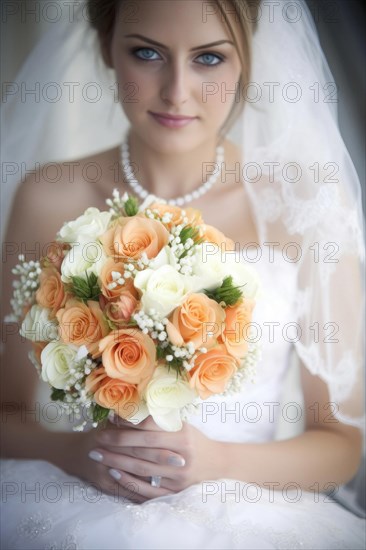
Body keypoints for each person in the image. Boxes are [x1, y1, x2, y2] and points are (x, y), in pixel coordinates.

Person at [1, 0, 365, 548]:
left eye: (209, 59)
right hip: (76, 498)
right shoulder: (50, 195)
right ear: (106, 47)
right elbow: (5, 414)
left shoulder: (304, 204)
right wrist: (81, 452)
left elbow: (340, 445)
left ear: (246, 58)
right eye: (146, 53)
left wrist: (214, 461)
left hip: (249, 512)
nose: (176, 91)